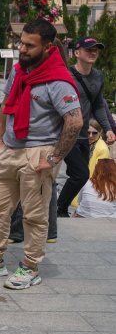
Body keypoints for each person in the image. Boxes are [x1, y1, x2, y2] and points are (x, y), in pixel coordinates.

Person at [0, 19, 82, 290]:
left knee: (34, 215)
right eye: (21, 43)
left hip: (38, 152)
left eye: (29, 45)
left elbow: (74, 122)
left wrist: (54, 158)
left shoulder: (59, 80)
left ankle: (30, 266)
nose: (22, 49)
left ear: (48, 47)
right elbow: (6, 106)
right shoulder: (20, 71)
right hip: (10, 149)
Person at [54, 37, 115, 218]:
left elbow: (98, 105)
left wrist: (108, 128)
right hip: (66, 133)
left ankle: (59, 208)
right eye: (88, 49)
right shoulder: (67, 75)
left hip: (83, 135)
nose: (93, 52)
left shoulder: (98, 77)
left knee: (78, 175)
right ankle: (60, 209)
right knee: (81, 174)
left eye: (95, 49)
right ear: (77, 53)